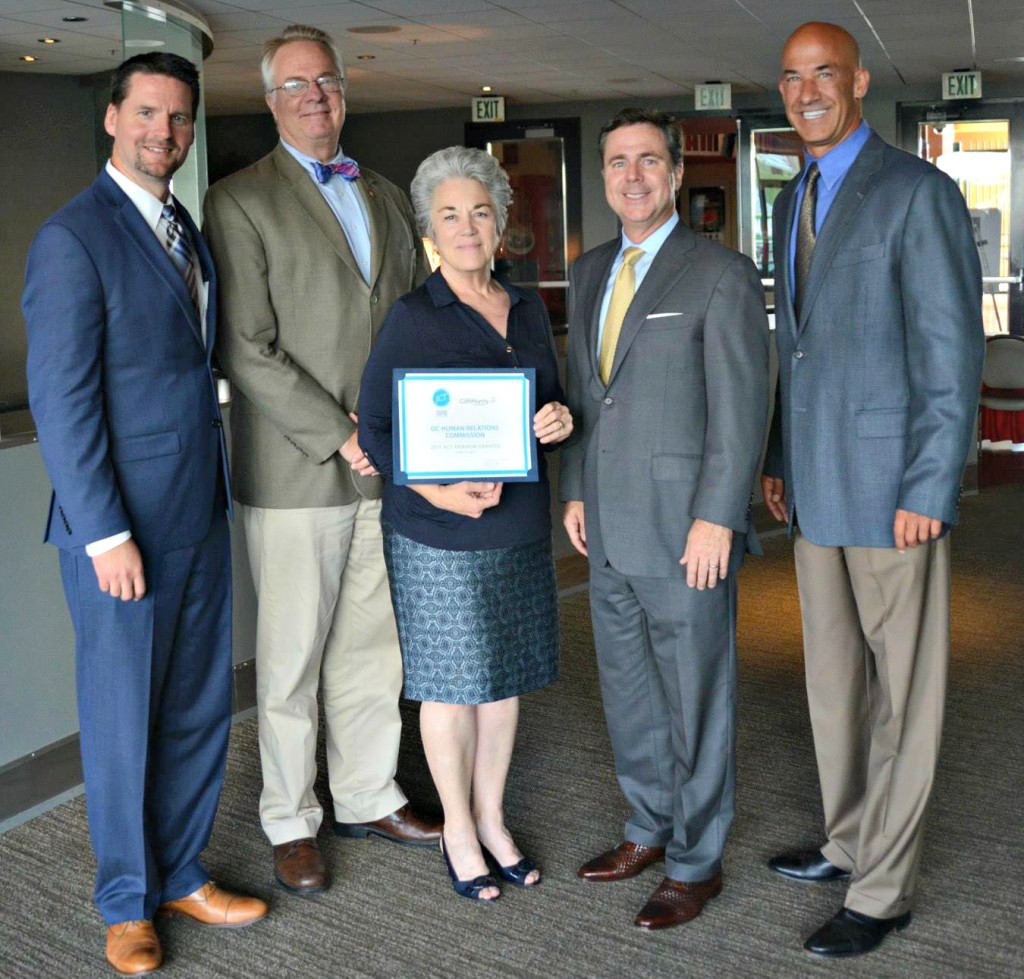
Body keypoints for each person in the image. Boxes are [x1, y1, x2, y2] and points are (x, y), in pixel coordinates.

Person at [22, 52, 267, 976]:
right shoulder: (72, 238)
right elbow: (64, 401)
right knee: (124, 717)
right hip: (118, 532)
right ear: (113, 118)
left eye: (180, 118)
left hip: (197, 511)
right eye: (148, 114)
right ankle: (124, 901)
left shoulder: (182, 228)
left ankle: (180, 869)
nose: (164, 132)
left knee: (202, 705)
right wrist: (105, 533)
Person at [762, 22, 986, 958]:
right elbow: (797, 348)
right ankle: (848, 837)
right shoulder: (791, 197)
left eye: (824, 74)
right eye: (791, 78)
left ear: (857, 81)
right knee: (833, 686)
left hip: (897, 487)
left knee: (906, 695)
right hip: (815, 485)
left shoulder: (917, 192)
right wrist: (778, 455)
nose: (807, 90)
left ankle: (884, 889)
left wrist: (933, 480)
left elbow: (951, 354)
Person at [202, 24, 439, 895]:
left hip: (384, 466)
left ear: (346, 93)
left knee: (375, 646)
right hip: (298, 466)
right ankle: (290, 817)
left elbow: (415, 316)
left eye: (329, 83)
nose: (315, 97)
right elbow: (245, 347)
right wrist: (343, 433)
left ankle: (370, 789)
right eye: (297, 85)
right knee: (293, 656)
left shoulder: (381, 194)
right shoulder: (239, 201)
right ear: (271, 101)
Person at [560, 108, 769, 930]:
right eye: (618, 162)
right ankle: (647, 827)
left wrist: (720, 515)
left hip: (688, 530)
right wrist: (574, 489)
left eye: (649, 161)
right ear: (605, 176)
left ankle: (697, 857)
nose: (633, 176)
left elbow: (741, 408)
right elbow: (585, 395)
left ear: (678, 173)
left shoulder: (719, 272)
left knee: (696, 695)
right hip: (607, 526)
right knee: (630, 691)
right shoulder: (587, 272)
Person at [358, 146, 572, 902]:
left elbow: (550, 405)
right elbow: (376, 430)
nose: (467, 226)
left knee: (503, 682)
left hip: (515, 526)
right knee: (451, 685)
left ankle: (492, 814)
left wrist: (558, 417)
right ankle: (456, 825)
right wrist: (440, 490)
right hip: (436, 536)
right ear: (429, 231)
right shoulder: (413, 318)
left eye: (480, 210)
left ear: (503, 221)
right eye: (449, 214)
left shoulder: (526, 309)